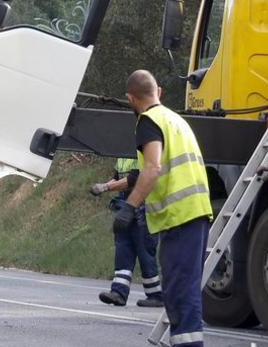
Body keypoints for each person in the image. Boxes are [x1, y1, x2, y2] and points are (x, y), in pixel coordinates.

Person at [113, 70, 213, 347]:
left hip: (179, 216)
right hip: (195, 212)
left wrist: (129, 207)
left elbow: (153, 166)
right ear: (159, 91)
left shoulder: (148, 121)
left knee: (181, 293)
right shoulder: (175, 120)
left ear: (130, 98)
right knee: (182, 290)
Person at [90, 157, 164, 307]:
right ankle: (118, 292)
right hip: (125, 207)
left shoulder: (142, 152)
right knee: (123, 249)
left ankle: (155, 295)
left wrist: (106, 187)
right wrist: (106, 185)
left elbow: (135, 179)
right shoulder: (122, 156)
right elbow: (117, 177)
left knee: (145, 252)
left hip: (144, 208)